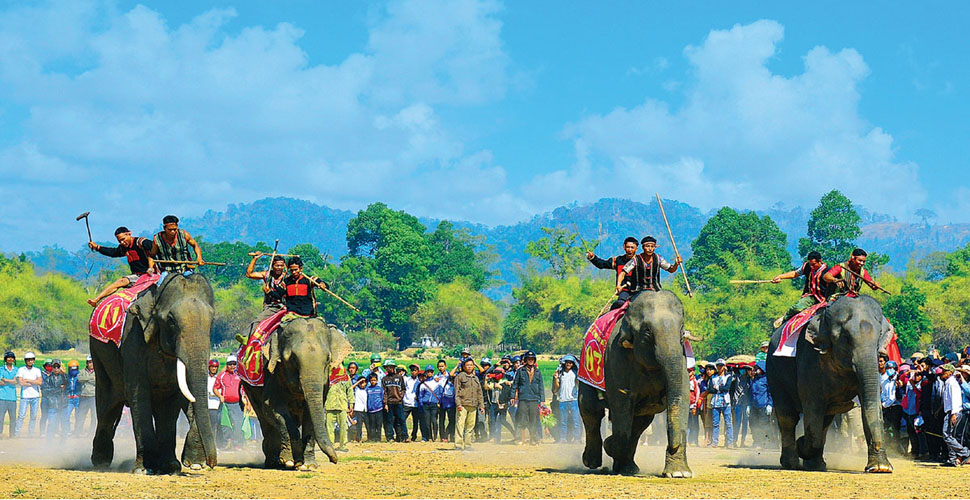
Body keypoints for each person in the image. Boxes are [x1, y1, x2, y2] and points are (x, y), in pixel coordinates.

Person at [615, 236, 681, 347]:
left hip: (656, 291)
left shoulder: (659, 259)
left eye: (652, 246)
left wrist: (676, 264)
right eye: (647, 246)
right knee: (631, 311)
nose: (650, 249)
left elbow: (671, 269)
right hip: (639, 292)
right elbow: (623, 272)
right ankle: (626, 336)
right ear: (643, 247)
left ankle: (680, 332)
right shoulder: (636, 260)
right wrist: (618, 284)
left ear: (655, 247)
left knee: (672, 306)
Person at [87, 226, 157, 306]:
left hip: (149, 274)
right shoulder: (123, 248)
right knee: (120, 282)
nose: (122, 242)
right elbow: (113, 252)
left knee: (121, 281)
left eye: (123, 239)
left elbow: (155, 250)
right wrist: (97, 247)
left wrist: (151, 267)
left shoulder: (141, 242)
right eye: (119, 241)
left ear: (129, 234)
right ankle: (96, 300)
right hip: (137, 276)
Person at [771, 251, 827, 328]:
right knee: (797, 307)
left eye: (813, 264)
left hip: (824, 298)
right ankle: (784, 318)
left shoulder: (828, 271)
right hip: (811, 297)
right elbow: (795, 273)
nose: (811, 267)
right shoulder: (807, 266)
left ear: (820, 261)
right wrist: (780, 277)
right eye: (810, 264)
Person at [587, 236, 639, 311]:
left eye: (632, 247)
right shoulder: (618, 260)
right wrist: (593, 258)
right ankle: (611, 312)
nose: (630, 250)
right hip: (624, 291)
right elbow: (602, 264)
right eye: (628, 247)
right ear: (624, 247)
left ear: (636, 249)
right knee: (620, 303)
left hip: (638, 290)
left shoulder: (640, 261)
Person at [512, 351, 544, 446]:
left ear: (534, 360)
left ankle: (532, 440)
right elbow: (515, 384)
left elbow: (541, 386)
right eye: (529, 359)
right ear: (525, 360)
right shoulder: (520, 371)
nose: (530, 360)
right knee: (522, 419)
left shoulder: (538, 372)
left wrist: (542, 399)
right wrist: (512, 396)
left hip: (534, 398)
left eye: (532, 359)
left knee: (533, 420)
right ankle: (522, 439)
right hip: (523, 398)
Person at [940, 364, 969, 466]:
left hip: (953, 412)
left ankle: (965, 453)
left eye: (944, 371)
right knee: (951, 436)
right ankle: (952, 459)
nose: (941, 373)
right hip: (950, 411)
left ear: (949, 372)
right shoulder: (948, 383)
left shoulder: (952, 383)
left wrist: (953, 414)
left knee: (947, 435)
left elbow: (955, 399)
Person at [213, 355, 244, 450]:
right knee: (225, 426)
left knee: (238, 425)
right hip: (225, 405)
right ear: (227, 365)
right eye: (230, 364)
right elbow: (215, 388)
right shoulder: (221, 376)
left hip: (237, 404)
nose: (232, 366)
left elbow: (244, 389)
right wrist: (220, 396)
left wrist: (245, 398)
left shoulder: (240, 376)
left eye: (234, 364)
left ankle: (236, 444)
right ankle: (226, 443)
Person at [454, 358, 484, 450]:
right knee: (460, 425)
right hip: (462, 405)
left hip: (473, 405)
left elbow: (479, 393)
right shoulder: (460, 376)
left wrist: (481, 406)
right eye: (467, 365)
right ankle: (458, 444)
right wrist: (458, 404)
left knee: (470, 426)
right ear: (464, 366)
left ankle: (468, 444)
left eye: (471, 365)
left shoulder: (475, 378)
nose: (469, 367)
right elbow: (456, 391)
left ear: (474, 366)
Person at [325, 364, 353, 452]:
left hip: (342, 405)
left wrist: (351, 403)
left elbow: (350, 390)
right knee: (329, 428)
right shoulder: (327, 376)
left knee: (343, 427)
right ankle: (331, 446)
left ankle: (343, 445)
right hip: (329, 405)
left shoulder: (345, 377)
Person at [553, 354, 581, 443]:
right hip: (563, 400)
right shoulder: (561, 373)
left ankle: (577, 438)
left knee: (576, 421)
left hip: (573, 400)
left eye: (570, 363)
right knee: (563, 422)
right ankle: (563, 438)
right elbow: (556, 388)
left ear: (573, 364)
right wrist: (555, 379)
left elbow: (578, 384)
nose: (568, 364)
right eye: (567, 362)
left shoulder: (575, 373)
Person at [708, 359, 734, 448]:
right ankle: (715, 442)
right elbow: (710, 389)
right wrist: (719, 388)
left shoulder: (728, 376)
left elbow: (727, 388)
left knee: (728, 423)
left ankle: (730, 442)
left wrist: (717, 387)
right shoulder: (713, 377)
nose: (719, 367)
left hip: (726, 403)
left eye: (721, 365)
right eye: (718, 365)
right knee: (715, 424)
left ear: (724, 366)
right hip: (715, 402)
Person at [748, 361, 773, 449]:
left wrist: (770, 404)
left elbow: (770, 393)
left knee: (764, 425)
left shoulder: (766, 379)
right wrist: (749, 405)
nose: (755, 370)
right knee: (753, 424)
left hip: (763, 406)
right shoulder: (753, 379)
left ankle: (765, 442)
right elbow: (751, 393)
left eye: (757, 368)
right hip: (754, 406)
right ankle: (756, 441)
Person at [15, 352, 42, 436]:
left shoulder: (37, 370)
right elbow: (21, 383)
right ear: (25, 361)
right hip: (25, 396)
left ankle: (31, 433)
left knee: (33, 416)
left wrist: (27, 380)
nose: (30, 361)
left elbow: (40, 382)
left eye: (32, 359)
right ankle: (17, 433)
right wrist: (34, 382)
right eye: (28, 360)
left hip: (35, 396)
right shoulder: (21, 370)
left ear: (34, 360)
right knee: (21, 416)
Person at [880, 360, 903, 453]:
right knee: (884, 428)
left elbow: (894, 397)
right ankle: (887, 447)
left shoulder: (898, 380)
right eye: (888, 368)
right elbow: (883, 394)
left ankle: (897, 449)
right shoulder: (885, 381)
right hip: (886, 408)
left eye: (891, 368)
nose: (889, 370)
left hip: (895, 407)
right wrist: (882, 403)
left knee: (895, 429)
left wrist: (884, 405)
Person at [42, 360, 68, 439]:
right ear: (52, 368)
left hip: (63, 404)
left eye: (58, 367)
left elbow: (69, 385)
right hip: (52, 405)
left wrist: (64, 374)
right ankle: (49, 443)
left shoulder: (64, 377)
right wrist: (57, 389)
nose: (56, 368)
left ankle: (63, 443)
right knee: (51, 424)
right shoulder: (48, 378)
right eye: (54, 367)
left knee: (64, 424)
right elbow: (45, 391)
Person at [435, 360, 456, 442]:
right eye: (439, 366)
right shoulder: (436, 377)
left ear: (446, 366)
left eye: (442, 366)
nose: (441, 368)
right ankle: (442, 437)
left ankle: (450, 434)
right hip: (441, 401)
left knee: (452, 420)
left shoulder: (451, 375)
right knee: (441, 420)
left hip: (451, 400)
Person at [417, 365, 439, 441]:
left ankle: (435, 436)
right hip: (425, 405)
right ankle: (429, 436)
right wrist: (421, 404)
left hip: (434, 404)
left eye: (431, 371)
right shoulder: (423, 384)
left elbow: (440, 393)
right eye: (428, 371)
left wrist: (438, 401)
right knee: (427, 422)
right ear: (426, 373)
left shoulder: (437, 382)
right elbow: (420, 396)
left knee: (434, 421)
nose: (430, 373)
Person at [75, 356, 96, 436]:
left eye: (91, 362)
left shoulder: (98, 371)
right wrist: (91, 378)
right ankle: (77, 432)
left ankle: (92, 432)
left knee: (94, 416)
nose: (90, 364)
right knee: (81, 415)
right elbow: (80, 378)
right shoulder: (82, 371)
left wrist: (86, 379)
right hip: (84, 396)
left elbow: (97, 381)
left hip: (93, 396)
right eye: (88, 362)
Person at [731, 364, 751, 447]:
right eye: (741, 369)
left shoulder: (749, 379)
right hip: (737, 403)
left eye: (744, 369)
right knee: (737, 422)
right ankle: (734, 441)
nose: (742, 371)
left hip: (746, 404)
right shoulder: (736, 378)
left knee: (745, 423)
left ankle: (743, 442)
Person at [0, 352, 18, 438]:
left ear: (14, 359)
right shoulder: (1, 369)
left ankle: (12, 434)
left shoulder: (16, 370)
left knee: (13, 418)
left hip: (12, 397)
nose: (10, 359)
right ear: (5, 359)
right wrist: (11, 381)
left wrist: (5, 379)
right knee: (0, 418)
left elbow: (16, 381)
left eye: (12, 358)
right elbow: (0, 382)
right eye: (8, 357)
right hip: (2, 397)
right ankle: (0, 433)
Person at [206, 359, 222, 447]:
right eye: (212, 366)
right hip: (206, 405)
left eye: (215, 367)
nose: (213, 368)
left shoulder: (218, 378)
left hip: (215, 406)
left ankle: (213, 444)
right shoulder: (205, 378)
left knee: (214, 426)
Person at [403, 364, 421, 442]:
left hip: (416, 404)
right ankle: (404, 435)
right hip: (407, 402)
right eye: (412, 370)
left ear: (418, 371)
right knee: (402, 420)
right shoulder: (407, 379)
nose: (413, 372)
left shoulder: (419, 380)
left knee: (415, 422)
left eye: (415, 370)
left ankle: (414, 436)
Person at [364, 373, 384, 442]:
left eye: (374, 380)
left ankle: (378, 438)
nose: (373, 382)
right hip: (370, 410)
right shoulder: (368, 389)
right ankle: (372, 438)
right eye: (371, 380)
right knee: (372, 425)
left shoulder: (380, 389)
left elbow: (382, 398)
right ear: (369, 381)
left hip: (379, 409)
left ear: (377, 380)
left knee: (378, 425)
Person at [65, 360, 81, 435]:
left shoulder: (80, 376)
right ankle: (67, 430)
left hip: (78, 398)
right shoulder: (67, 377)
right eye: (72, 369)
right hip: (69, 399)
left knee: (78, 416)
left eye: (75, 369)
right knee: (66, 415)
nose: (73, 371)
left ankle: (77, 431)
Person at [687, 363, 701, 446]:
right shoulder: (685, 381)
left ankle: (695, 440)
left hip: (692, 406)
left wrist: (695, 406)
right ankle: (687, 441)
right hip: (686, 406)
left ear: (693, 372)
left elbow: (697, 394)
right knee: (687, 425)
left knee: (694, 424)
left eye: (690, 371)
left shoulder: (694, 382)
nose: (688, 373)